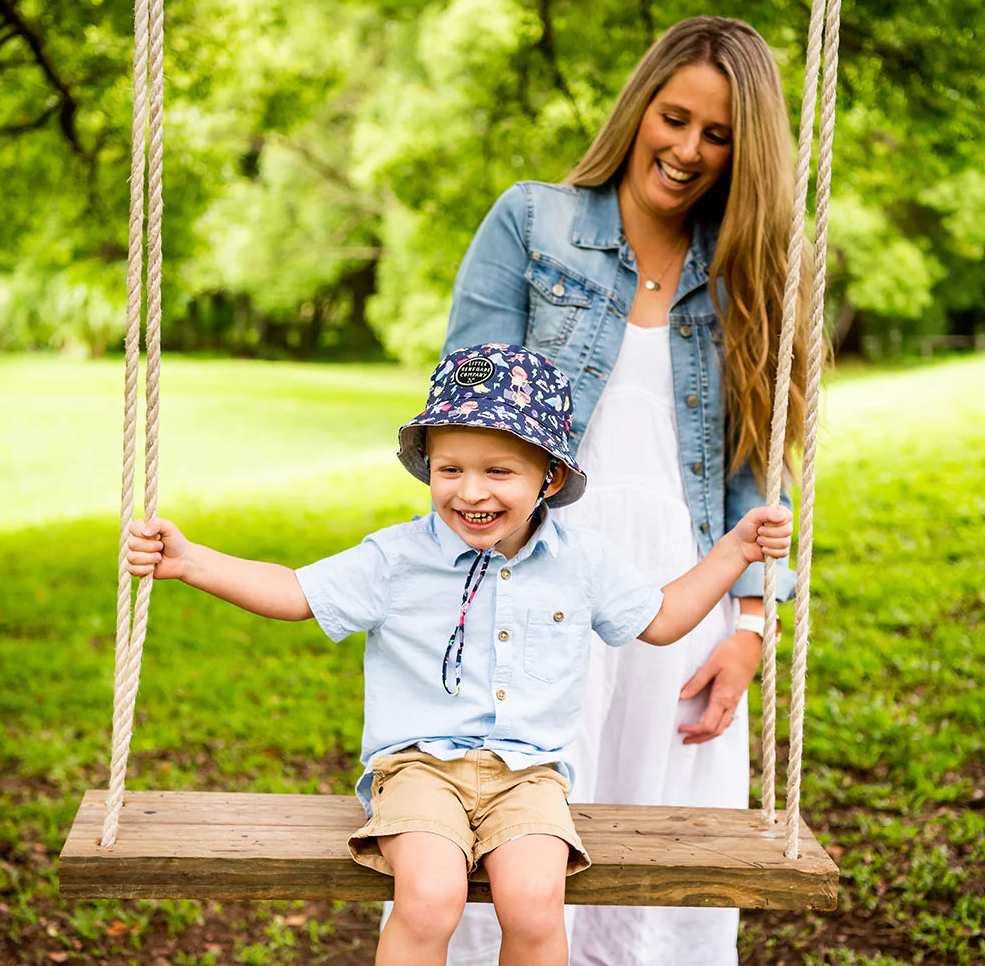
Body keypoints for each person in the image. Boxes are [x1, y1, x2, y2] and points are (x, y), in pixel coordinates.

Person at [126, 342, 793, 966]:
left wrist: (735, 549)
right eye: (450, 470)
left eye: (498, 471)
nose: (470, 493)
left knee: (535, 902)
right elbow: (298, 592)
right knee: (431, 895)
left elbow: (662, 618)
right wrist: (193, 562)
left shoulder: (582, 562)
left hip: (530, 776)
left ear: (551, 478)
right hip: (419, 769)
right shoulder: (398, 557)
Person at [441, 17, 808, 966]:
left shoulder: (747, 275)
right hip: (533, 582)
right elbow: (465, 421)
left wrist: (751, 629)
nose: (686, 149)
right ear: (640, 106)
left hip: (678, 602)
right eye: (674, 117)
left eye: (717, 135)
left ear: (742, 152)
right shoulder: (532, 223)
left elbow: (751, 474)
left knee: (664, 873)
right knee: (507, 841)